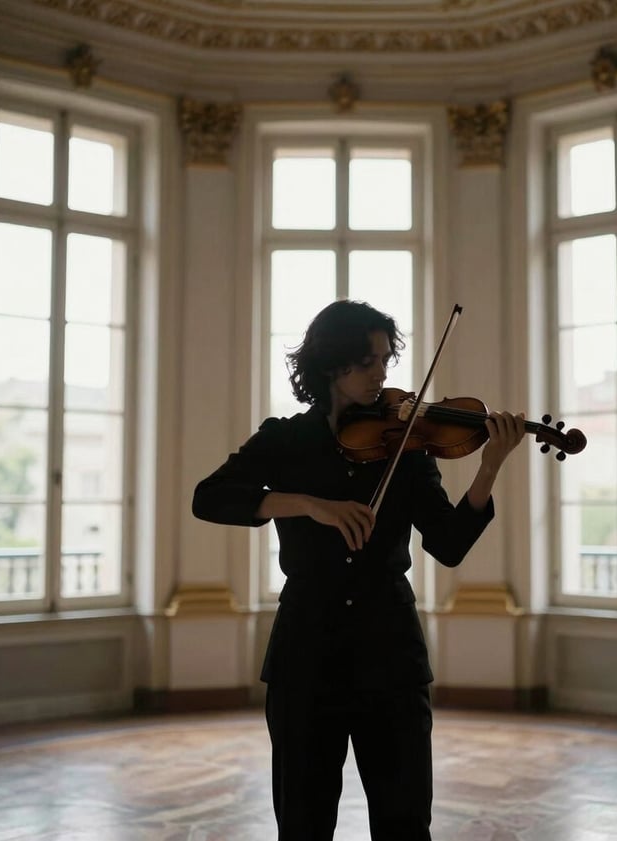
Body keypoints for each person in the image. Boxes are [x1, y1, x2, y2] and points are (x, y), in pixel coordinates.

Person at [192, 299, 525, 841]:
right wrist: (308, 503)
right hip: (306, 654)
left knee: (404, 821)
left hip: (390, 655)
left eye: (385, 361)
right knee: (303, 821)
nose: (382, 375)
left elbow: (449, 543)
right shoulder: (286, 440)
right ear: (331, 364)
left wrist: (488, 467)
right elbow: (209, 498)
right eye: (368, 361)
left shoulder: (409, 446)